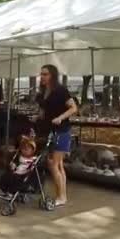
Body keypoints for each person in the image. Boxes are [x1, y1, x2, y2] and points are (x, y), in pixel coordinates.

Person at [36, 64, 78, 207]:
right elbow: (43, 112)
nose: (42, 77)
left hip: (62, 131)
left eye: (45, 74)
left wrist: (60, 117)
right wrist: (37, 118)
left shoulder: (60, 90)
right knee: (58, 164)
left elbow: (73, 108)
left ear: (52, 75)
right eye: (41, 74)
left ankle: (61, 196)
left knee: (53, 164)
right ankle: (62, 194)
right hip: (49, 130)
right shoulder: (42, 93)